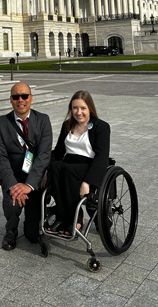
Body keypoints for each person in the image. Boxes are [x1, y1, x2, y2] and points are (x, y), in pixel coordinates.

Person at [0, 82, 52, 250]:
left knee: (32, 236)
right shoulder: (1, 123)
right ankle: (10, 231)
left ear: (31, 98)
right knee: (12, 205)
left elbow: (44, 155)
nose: (21, 100)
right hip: (13, 177)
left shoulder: (43, 120)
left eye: (24, 96)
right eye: (16, 97)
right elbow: (0, 157)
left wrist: (29, 184)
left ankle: (40, 216)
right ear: (11, 100)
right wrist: (13, 184)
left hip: (35, 180)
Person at [47, 90, 110, 236]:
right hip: (68, 163)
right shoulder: (67, 125)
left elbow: (101, 157)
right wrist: (45, 170)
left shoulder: (101, 127)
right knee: (56, 166)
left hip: (88, 165)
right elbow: (58, 152)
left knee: (67, 171)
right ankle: (63, 217)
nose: (79, 112)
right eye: (75, 108)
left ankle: (76, 219)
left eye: (83, 108)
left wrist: (87, 182)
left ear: (90, 109)